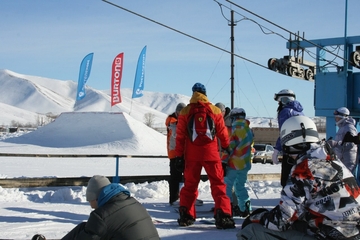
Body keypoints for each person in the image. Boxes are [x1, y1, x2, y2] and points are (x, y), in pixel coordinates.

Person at [237, 116, 360, 240]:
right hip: (350, 232)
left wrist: (258, 217)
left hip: (333, 235)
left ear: (289, 144)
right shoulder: (331, 160)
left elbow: (280, 222)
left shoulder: (304, 168)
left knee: (250, 231)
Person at [174, 82, 235, 229]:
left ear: (193, 93)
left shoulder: (185, 111)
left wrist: (178, 156)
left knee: (189, 186)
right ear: (205, 94)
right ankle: (223, 215)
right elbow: (222, 133)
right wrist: (226, 147)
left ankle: (186, 215)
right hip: (212, 154)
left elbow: (180, 136)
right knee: (218, 185)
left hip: (192, 155)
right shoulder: (214, 110)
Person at [33, 175, 160, 240]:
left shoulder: (102, 215)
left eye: (90, 202)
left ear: (95, 197)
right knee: (85, 227)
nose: (92, 207)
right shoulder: (132, 202)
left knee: (90, 229)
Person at [223, 108, 253, 218]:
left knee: (227, 186)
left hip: (234, 163)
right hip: (245, 164)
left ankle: (227, 209)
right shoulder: (248, 130)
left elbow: (230, 146)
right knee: (240, 186)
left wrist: (223, 159)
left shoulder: (234, 129)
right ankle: (245, 208)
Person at [272, 89, 304, 188]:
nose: (278, 102)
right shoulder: (300, 112)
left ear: (285, 99)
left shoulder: (285, 112)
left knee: (286, 181)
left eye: (279, 100)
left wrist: (277, 150)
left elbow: (284, 133)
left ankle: (286, 202)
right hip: (302, 151)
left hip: (290, 151)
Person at [165, 102, 186, 205]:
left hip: (183, 153)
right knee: (175, 177)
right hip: (174, 154)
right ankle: (173, 199)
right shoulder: (172, 122)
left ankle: (186, 198)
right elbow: (176, 134)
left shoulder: (177, 121)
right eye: (180, 112)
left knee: (187, 177)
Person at [327, 107, 358, 173]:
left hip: (348, 160)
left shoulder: (349, 128)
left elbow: (351, 144)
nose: (336, 119)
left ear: (342, 117)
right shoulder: (342, 128)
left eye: (337, 117)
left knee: (347, 180)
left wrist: (336, 144)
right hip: (341, 158)